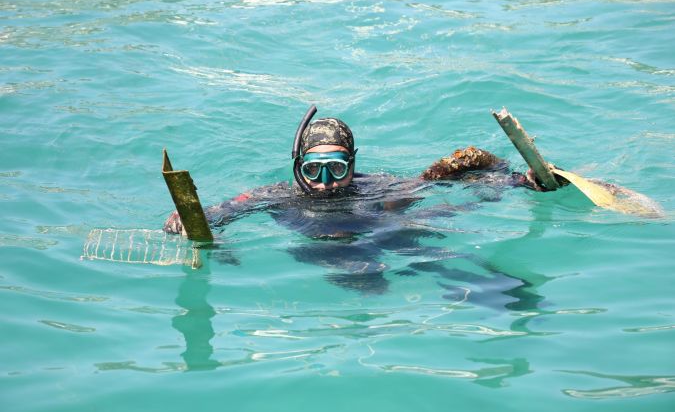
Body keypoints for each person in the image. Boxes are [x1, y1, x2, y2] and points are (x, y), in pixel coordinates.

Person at [164, 105, 543, 296]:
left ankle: (496, 291)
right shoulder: (276, 195)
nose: (326, 183)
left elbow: (446, 182)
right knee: (367, 279)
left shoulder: (377, 186)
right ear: (299, 168)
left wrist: (518, 182)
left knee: (430, 237)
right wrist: (183, 217)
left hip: (385, 232)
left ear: (353, 163)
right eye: (314, 171)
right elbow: (218, 213)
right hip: (326, 248)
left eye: (337, 169)